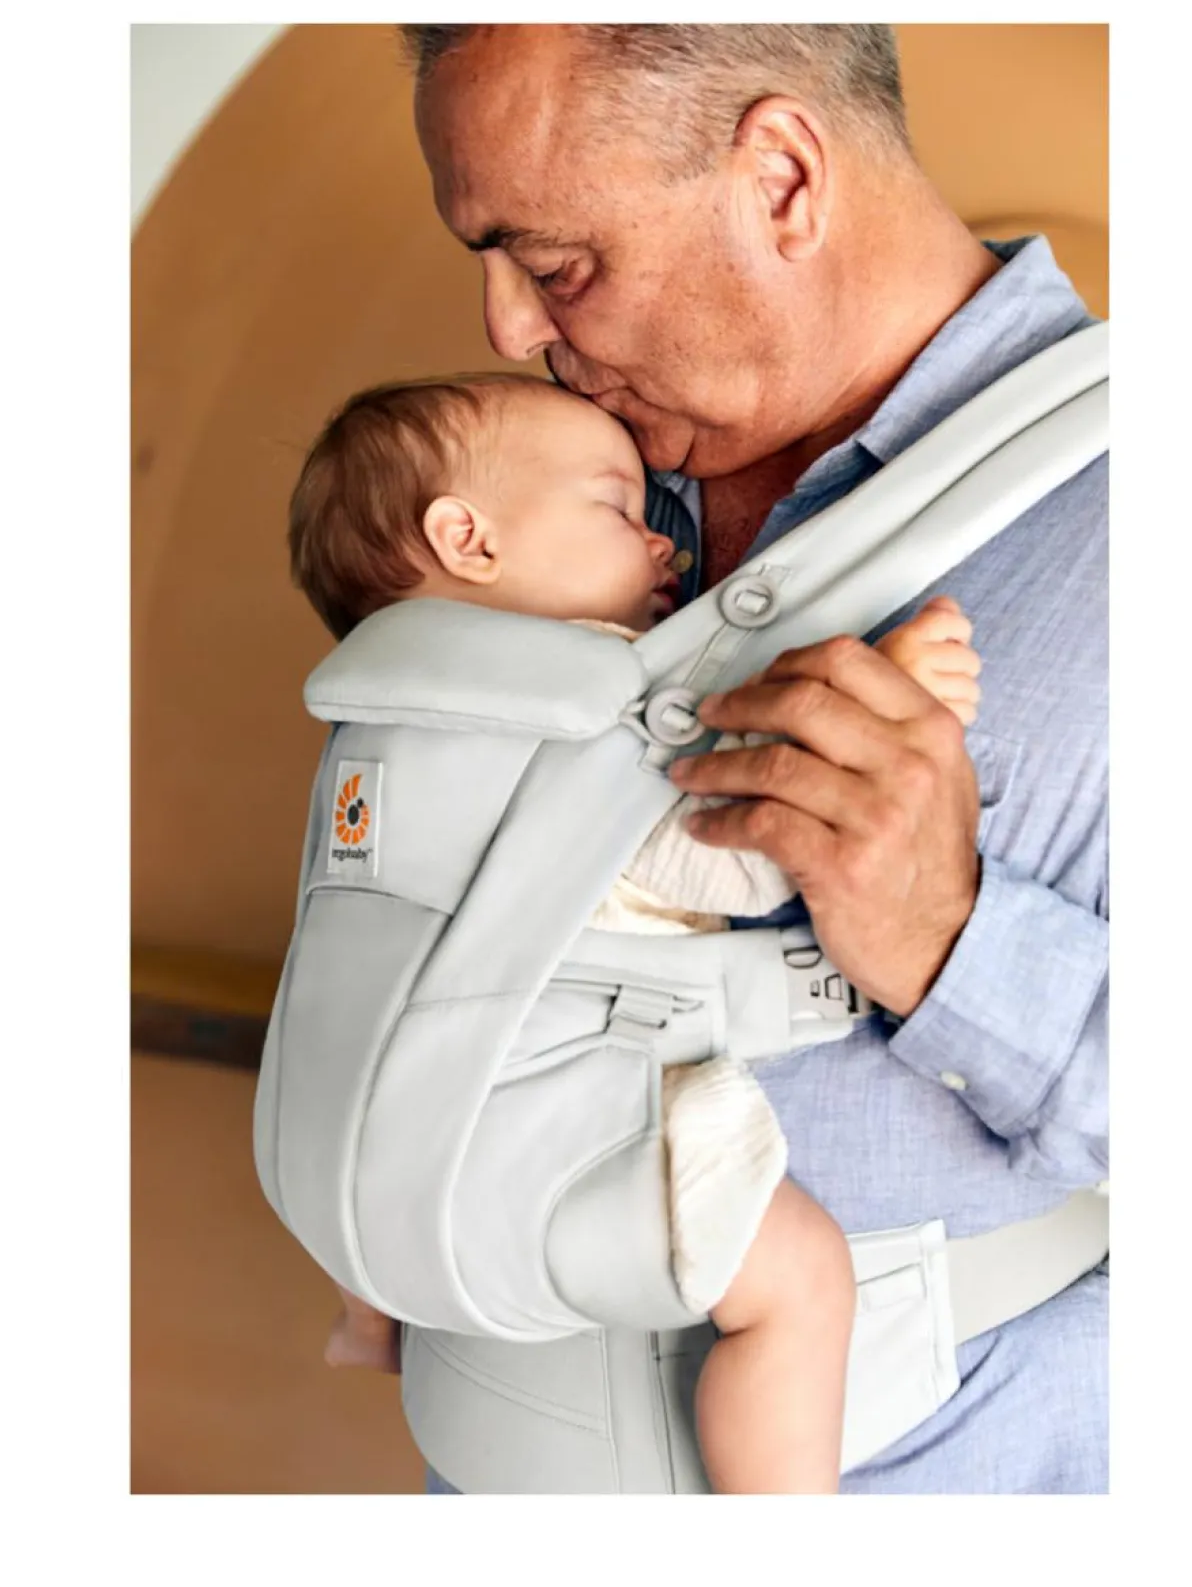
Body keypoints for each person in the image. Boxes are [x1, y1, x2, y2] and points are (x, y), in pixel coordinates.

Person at [397, 23, 1109, 1496]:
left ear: (781, 177)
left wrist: (951, 933)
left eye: (556, 264)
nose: (507, 328)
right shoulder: (542, 470)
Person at [286, 371, 982, 1494]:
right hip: (547, 1129)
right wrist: (887, 711)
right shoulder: (582, 718)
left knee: (385, 1087)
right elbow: (745, 855)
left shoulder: (380, 720)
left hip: (368, 1146)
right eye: (617, 506)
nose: (665, 543)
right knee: (803, 1281)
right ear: (468, 540)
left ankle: (372, 1315)